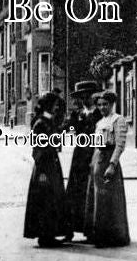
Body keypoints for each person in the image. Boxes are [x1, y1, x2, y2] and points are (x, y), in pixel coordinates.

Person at [84, 90, 130, 248]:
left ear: (112, 104)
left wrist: (112, 165)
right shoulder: (99, 122)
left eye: (105, 104)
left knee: (111, 199)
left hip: (109, 161)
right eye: (100, 105)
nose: (102, 107)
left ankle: (114, 236)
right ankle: (99, 235)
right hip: (98, 160)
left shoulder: (118, 120)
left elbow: (120, 145)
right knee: (98, 198)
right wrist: (93, 162)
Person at [24, 92, 66, 248]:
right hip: (44, 167)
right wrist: (41, 172)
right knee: (45, 201)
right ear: (49, 105)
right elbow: (37, 150)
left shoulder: (49, 121)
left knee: (51, 200)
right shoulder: (41, 123)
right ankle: (44, 236)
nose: (57, 107)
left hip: (51, 164)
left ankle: (50, 234)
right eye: (55, 104)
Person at [62, 80, 102, 242]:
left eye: (87, 96)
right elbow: (67, 128)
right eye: (81, 96)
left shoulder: (99, 115)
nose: (84, 99)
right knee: (74, 192)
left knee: (90, 191)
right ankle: (70, 229)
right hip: (79, 157)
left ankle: (91, 230)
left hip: (93, 154)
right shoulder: (77, 114)